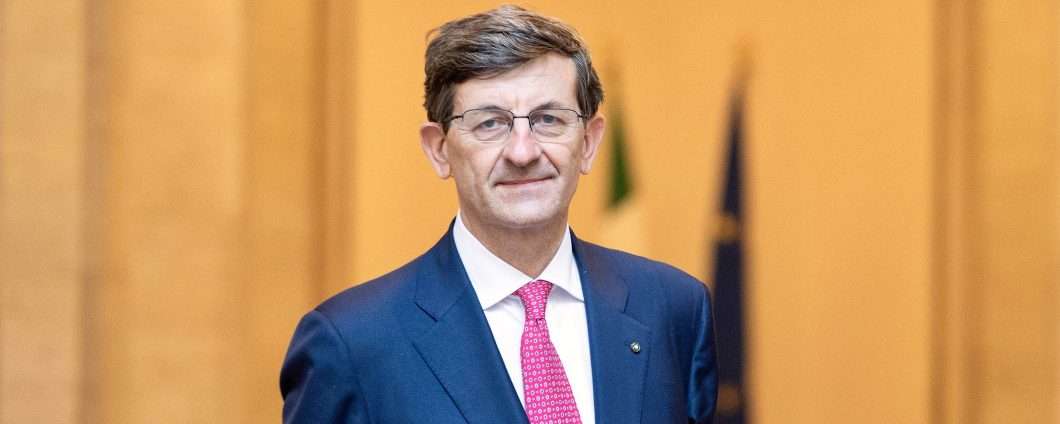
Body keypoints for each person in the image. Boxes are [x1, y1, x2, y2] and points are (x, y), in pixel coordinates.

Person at [280, 5, 717, 423]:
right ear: (439, 150)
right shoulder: (353, 342)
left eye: (548, 119)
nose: (523, 152)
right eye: (489, 123)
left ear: (588, 142)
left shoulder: (673, 309)